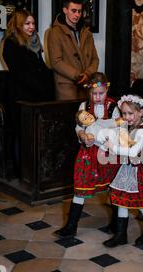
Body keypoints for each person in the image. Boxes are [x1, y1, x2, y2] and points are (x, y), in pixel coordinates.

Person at [53, 72, 121, 239]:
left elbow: (119, 128)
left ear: (107, 90)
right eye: (94, 93)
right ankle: (71, 225)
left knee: (113, 187)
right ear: (88, 91)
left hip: (107, 153)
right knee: (80, 185)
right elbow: (79, 126)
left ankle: (116, 222)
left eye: (101, 93)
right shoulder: (84, 106)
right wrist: (82, 136)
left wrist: (104, 137)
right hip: (87, 153)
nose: (97, 97)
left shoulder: (113, 107)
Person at [102, 95, 143, 248]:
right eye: (124, 114)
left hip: (139, 171)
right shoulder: (134, 126)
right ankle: (121, 235)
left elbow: (134, 151)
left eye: (130, 113)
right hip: (129, 169)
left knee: (142, 203)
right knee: (122, 201)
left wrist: (113, 147)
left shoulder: (141, 131)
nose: (126, 117)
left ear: (141, 112)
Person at [2, 9, 54, 178]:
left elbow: (41, 68)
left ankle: (34, 171)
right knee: (21, 135)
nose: (32, 27)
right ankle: (22, 172)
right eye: (27, 23)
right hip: (20, 97)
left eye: (33, 23)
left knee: (35, 136)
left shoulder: (34, 42)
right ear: (18, 25)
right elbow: (21, 73)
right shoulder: (11, 43)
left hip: (37, 97)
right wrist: (42, 87)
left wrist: (51, 81)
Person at [47, 0, 99, 100]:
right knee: (69, 115)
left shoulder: (87, 33)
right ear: (65, 10)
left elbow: (95, 59)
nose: (77, 15)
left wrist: (87, 74)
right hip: (66, 87)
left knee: (86, 115)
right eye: (73, 11)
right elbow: (56, 62)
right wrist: (78, 76)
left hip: (86, 85)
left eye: (79, 11)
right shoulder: (55, 32)